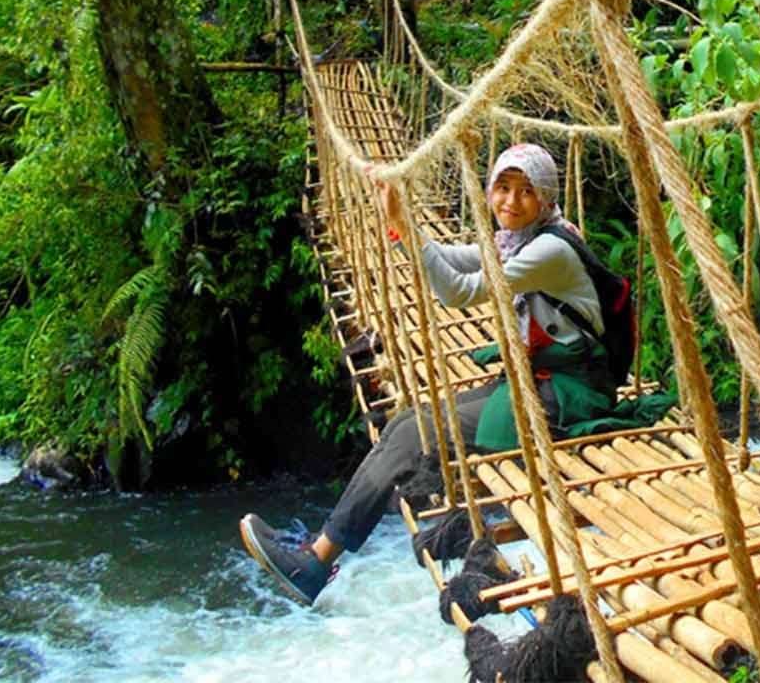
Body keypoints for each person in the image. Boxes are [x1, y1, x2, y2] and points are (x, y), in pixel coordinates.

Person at [239, 144, 617, 606]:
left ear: (547, 198)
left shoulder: (549, 249)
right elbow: (452, 257)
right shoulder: (520, 240)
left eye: (526, 191)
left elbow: (459, 292)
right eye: (502, 187)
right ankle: (317, 549)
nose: (511, 201)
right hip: (540, 379)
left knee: (411, 436)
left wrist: (405, 226)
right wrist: (400, 222)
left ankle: (315, 562)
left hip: (567, 396)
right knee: (406, 422)